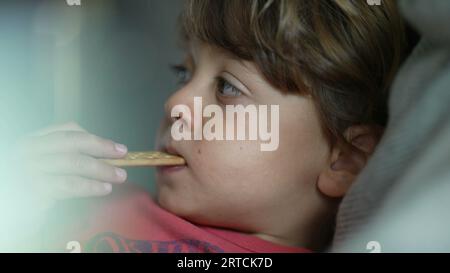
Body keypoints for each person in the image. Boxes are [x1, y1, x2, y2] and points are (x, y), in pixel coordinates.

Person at [7, 0, 406, 252]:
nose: (175, 103)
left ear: (344, 161)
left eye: (228, 88)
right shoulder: (78, 202)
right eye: (184, 74)